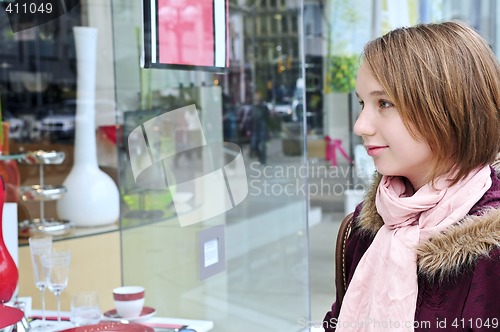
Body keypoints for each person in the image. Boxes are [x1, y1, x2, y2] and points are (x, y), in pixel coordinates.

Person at [324, 21, 500, 331]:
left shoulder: (491, 250)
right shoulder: (367, 225)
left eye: (385, 103)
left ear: (450, 108)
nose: (361, 125)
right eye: (363, 103)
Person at [250, 91, 270, 164]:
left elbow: (267, 117)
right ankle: (258, 156)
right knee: (255, 143)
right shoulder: (253, 108)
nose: (257, 101)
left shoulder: (263, 108)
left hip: (262, 128)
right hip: (255, 128)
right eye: (256, 100)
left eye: (258, 100)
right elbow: (251, 118)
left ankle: (263, 159)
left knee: (262, 144)